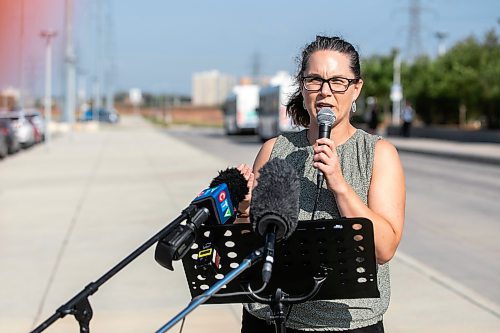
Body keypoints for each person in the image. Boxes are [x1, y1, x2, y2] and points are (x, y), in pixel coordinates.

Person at [236, 35, 405, 332]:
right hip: (268, 317)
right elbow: (247, 245)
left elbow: (384, 248)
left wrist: (339, 183)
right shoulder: (274, 149)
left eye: (338, 81)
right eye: (315, 80)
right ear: (302, 87)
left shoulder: (379, 154)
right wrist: (243, 210)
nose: (326, 92)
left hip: (346, 323)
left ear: (356, 89)